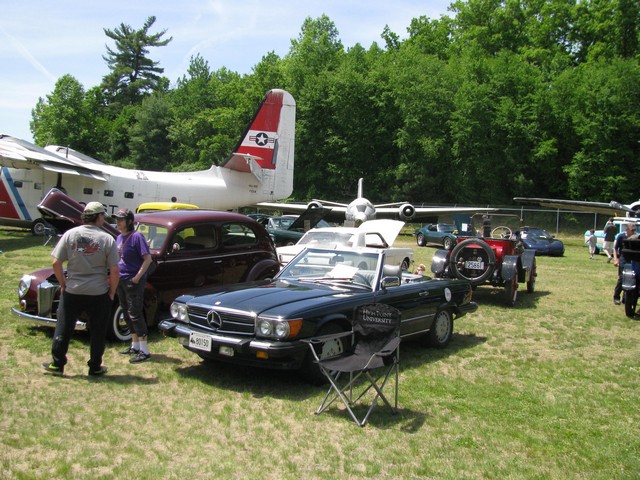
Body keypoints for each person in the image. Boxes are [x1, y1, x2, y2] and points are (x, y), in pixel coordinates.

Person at [42, 202, 119, 376]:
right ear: (99, 216)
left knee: (64, 327)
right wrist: (112, 292)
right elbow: (115, 270)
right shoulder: (107, 239)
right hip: (98, 292)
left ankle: (57, 364)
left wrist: (63, 284)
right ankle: (95, 367)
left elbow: (56, 263)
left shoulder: (70, 234)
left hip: (73, 290)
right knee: (98, 331)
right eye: (103, 216)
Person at [114, 208, 153, 363]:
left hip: (133, 281)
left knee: (135, 313)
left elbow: (147, 259)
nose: (117, 222)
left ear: (129, 221)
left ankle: (144, 350)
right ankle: (135, 345)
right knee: (126, 312)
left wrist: (137, 277)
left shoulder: (137, 237)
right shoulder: (118, 237)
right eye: (116, 219)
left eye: (121, 219)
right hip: (121, 279)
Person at [613, 222, 637, 305]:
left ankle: (626, 297)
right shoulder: (621, 236)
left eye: (634, 230)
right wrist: (615, 259)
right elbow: (615, 248)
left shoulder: (636, 237)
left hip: (632, 261)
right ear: (627, 229)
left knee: (631, 279)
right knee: (622, 278)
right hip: (623, 260)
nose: (633, 232)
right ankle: (616, 297)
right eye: (632, 230)